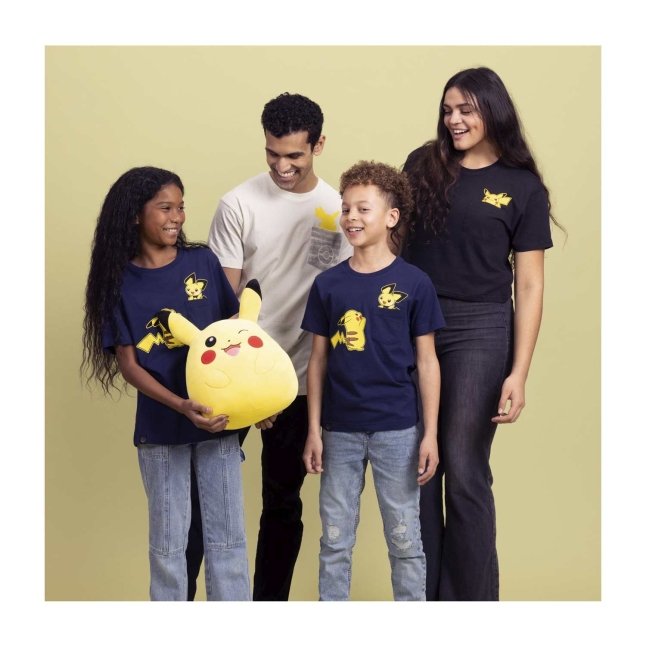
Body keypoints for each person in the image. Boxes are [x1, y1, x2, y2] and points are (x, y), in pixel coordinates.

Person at [402, 67, 562, 601]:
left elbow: (530, 285)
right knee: (417, 467)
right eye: (448, 110)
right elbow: (390, 242)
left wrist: (519, 372)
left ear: (492, 110)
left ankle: (471, 608)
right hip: (414, 325)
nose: (454, 120)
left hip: (481, 328)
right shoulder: (422, 164)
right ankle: (422, 599)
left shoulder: (523, 186)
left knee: (464, 463)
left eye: (466, 109)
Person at [191, 92, 353, 601]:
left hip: (298, 380)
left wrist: (279, 389)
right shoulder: (238, 204)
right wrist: (249, 385)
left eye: (294, 156)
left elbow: (337, 297)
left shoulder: (338, 211)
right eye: (272, 153)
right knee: (206, 500)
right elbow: (224, 301)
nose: (282, 166)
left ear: (318, 145)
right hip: (234, 376)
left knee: (282, 505)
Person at [81, 166, 250, 601]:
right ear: (136, 214)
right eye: (165, 208)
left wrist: (254, 397)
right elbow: (129, 365)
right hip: (160, 428)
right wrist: (180, 405)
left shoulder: (203, 262)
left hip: (218, 423)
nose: (177, 217)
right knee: (169, 546)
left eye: (180, 207)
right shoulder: (119, 282)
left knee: (228, 542)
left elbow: (232, 335)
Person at [301, 160, 445, 601]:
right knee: (334, 541)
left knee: (405, 541)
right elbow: (317, 361)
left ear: (391, 217)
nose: (351, 218)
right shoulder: (327, 285)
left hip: (398, 431)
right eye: (346, 208)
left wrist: (430, 434)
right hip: (339, 431)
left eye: (363, 209)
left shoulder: (415, 283)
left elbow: (427, 362)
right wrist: (313, 430)